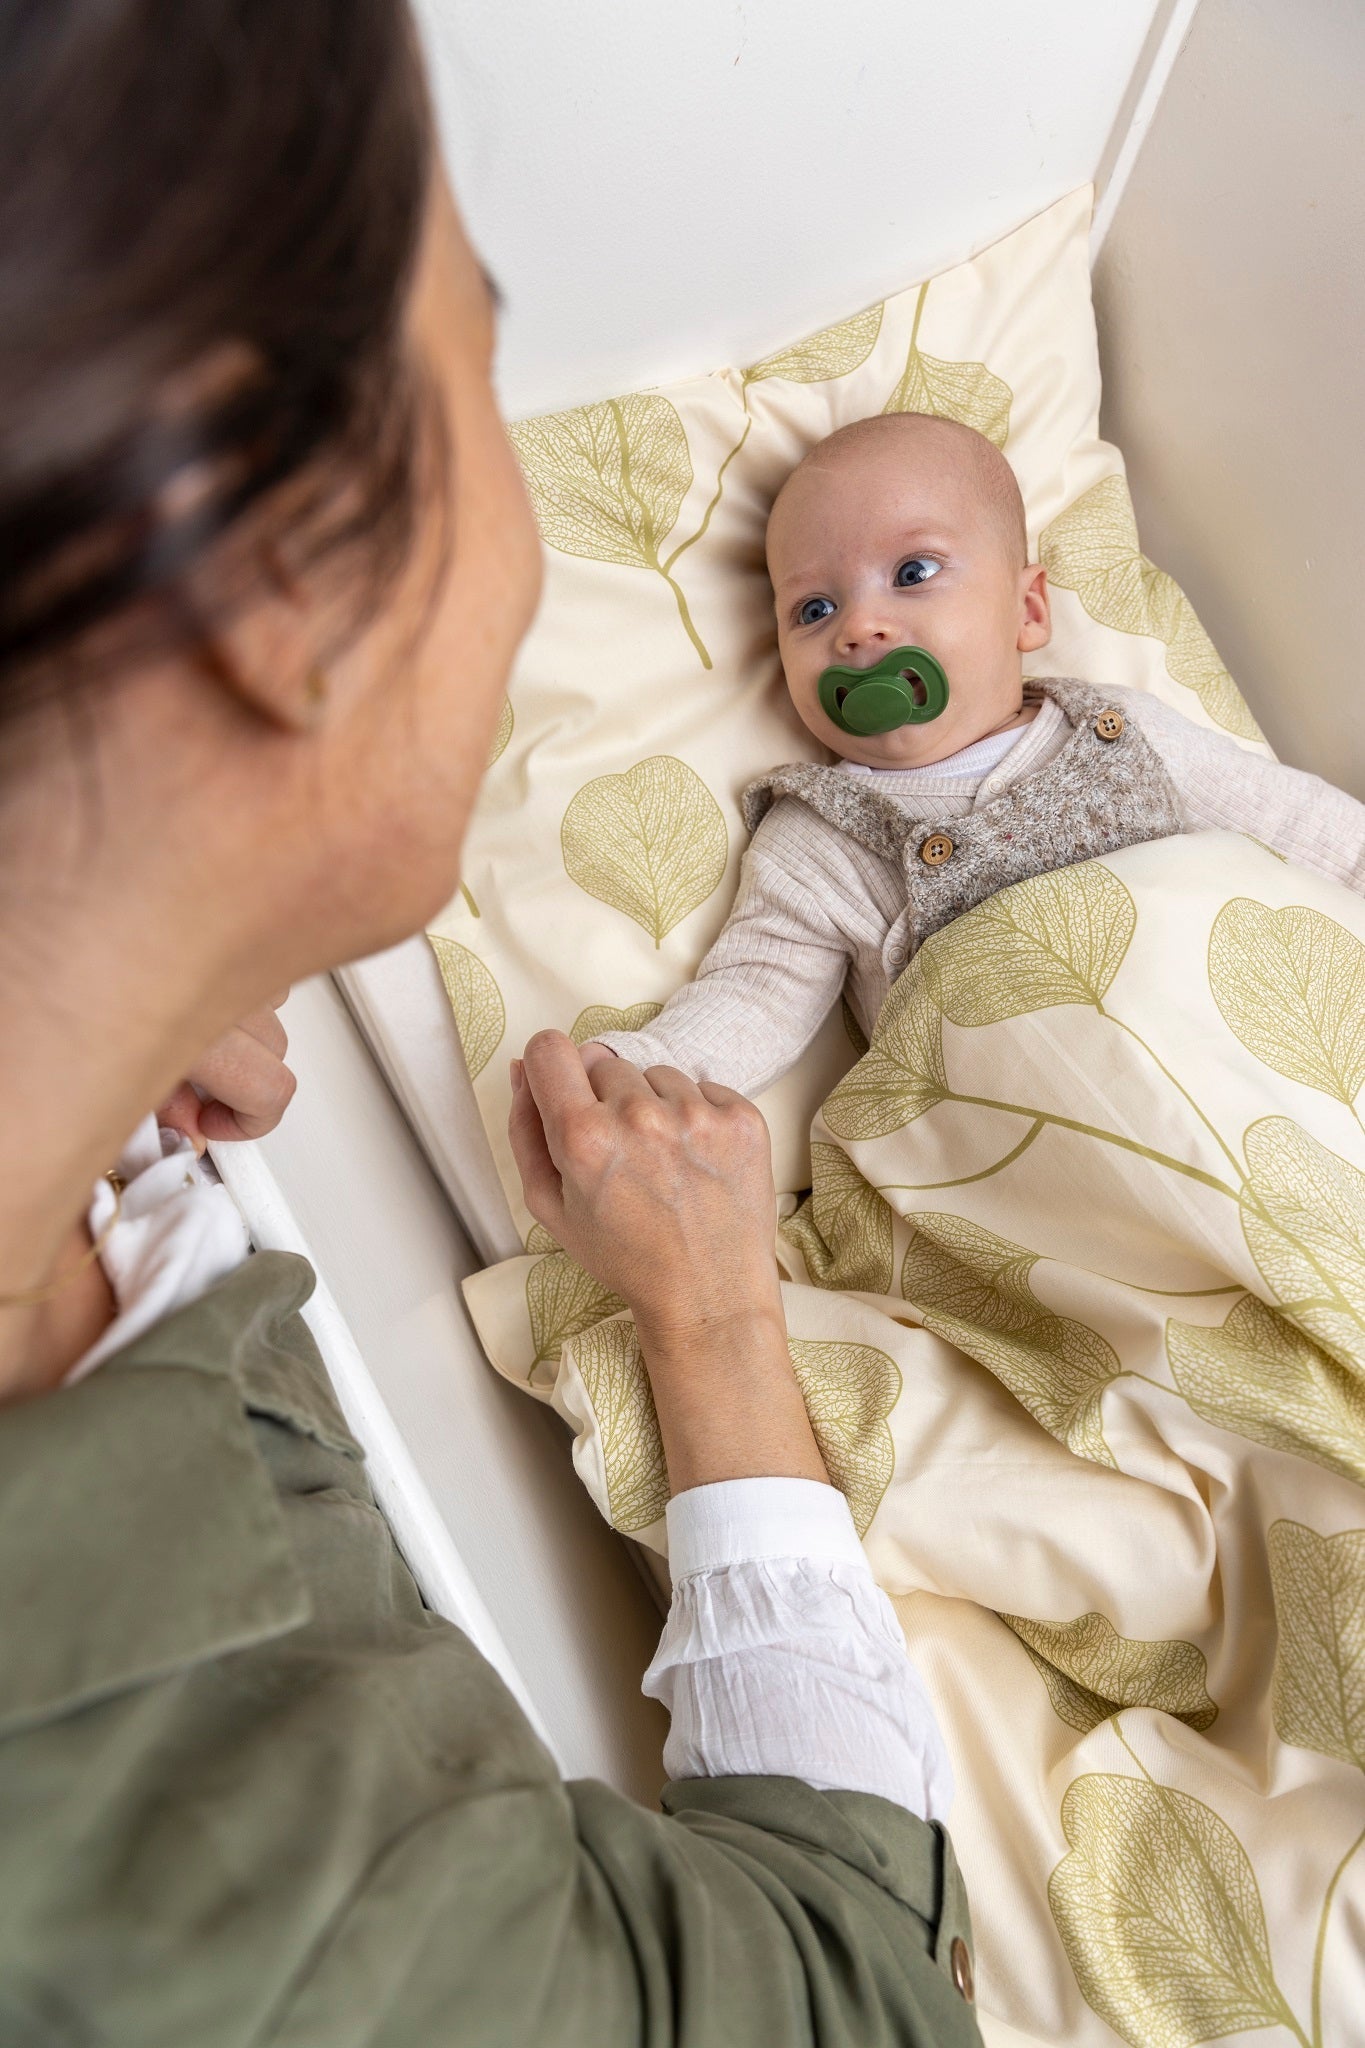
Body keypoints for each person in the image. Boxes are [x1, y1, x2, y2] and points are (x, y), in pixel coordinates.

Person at [0, 6, 983, 2040]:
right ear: (277, 563)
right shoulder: (285, 1919)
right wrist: (711, 1312)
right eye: (481, 363)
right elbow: (845, 1992)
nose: (861, 632)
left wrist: (129, 1034)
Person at [580, 413, 1365, 1096]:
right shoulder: (817, 842)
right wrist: (648, 1070)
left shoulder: (1120, 731)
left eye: (912, 573)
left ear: (1026, 609)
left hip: (1230, 1051)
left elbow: (1301, 829)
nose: (859, 628)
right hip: (1041, 1116)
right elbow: (756, 991)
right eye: (813, 609)